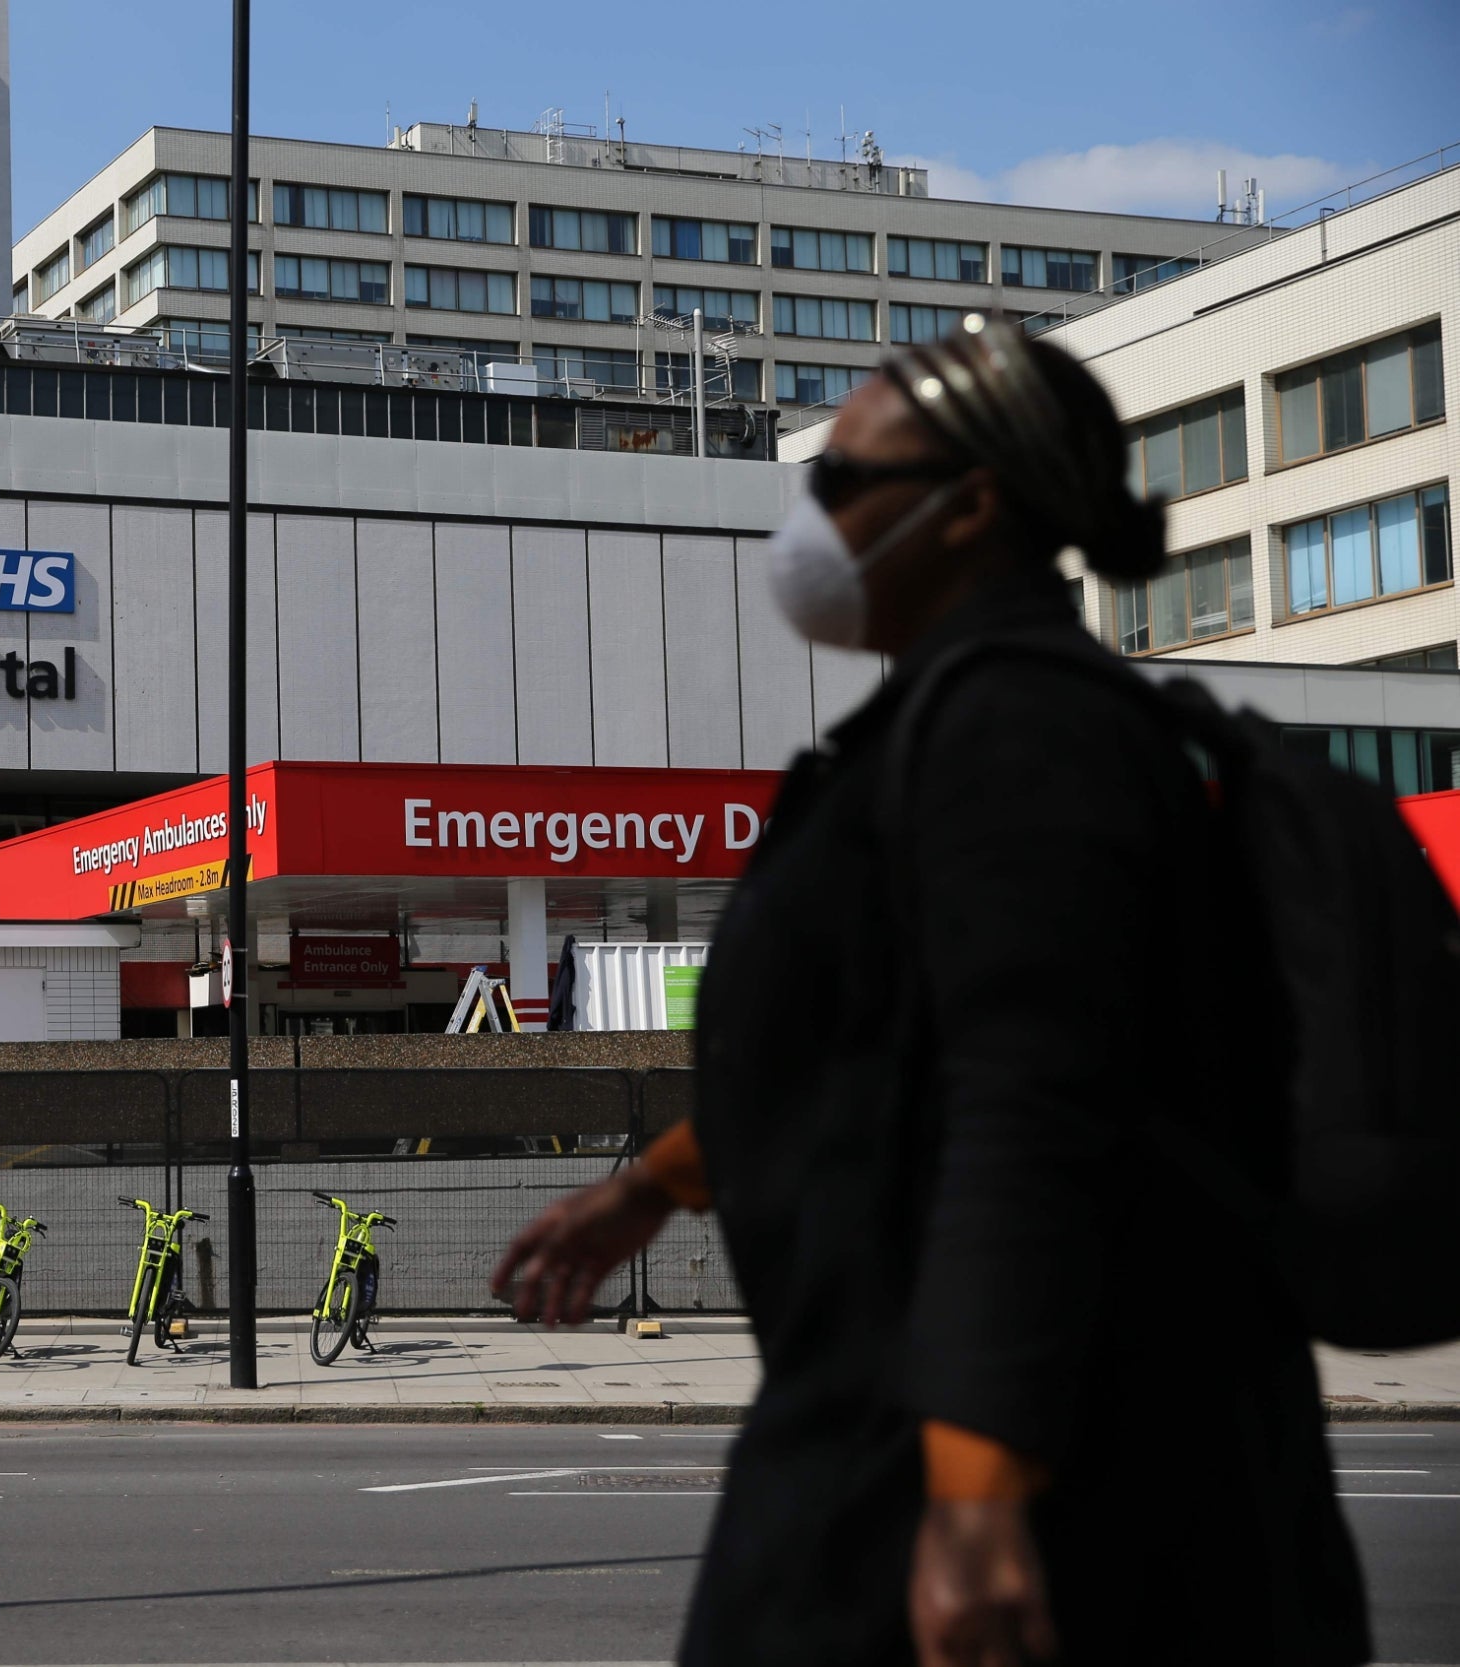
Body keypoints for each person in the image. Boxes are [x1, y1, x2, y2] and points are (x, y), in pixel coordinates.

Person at [494, 318, 1367, 1667]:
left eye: (846, 481)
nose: (816, 517)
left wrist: (973, 1498)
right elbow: (887, 1060)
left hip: (1028, 1494)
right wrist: (653, 1187)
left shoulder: (1023, 732)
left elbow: (1032, 1102)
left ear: (970, 507)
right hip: (937, 1452)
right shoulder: (962, 726)